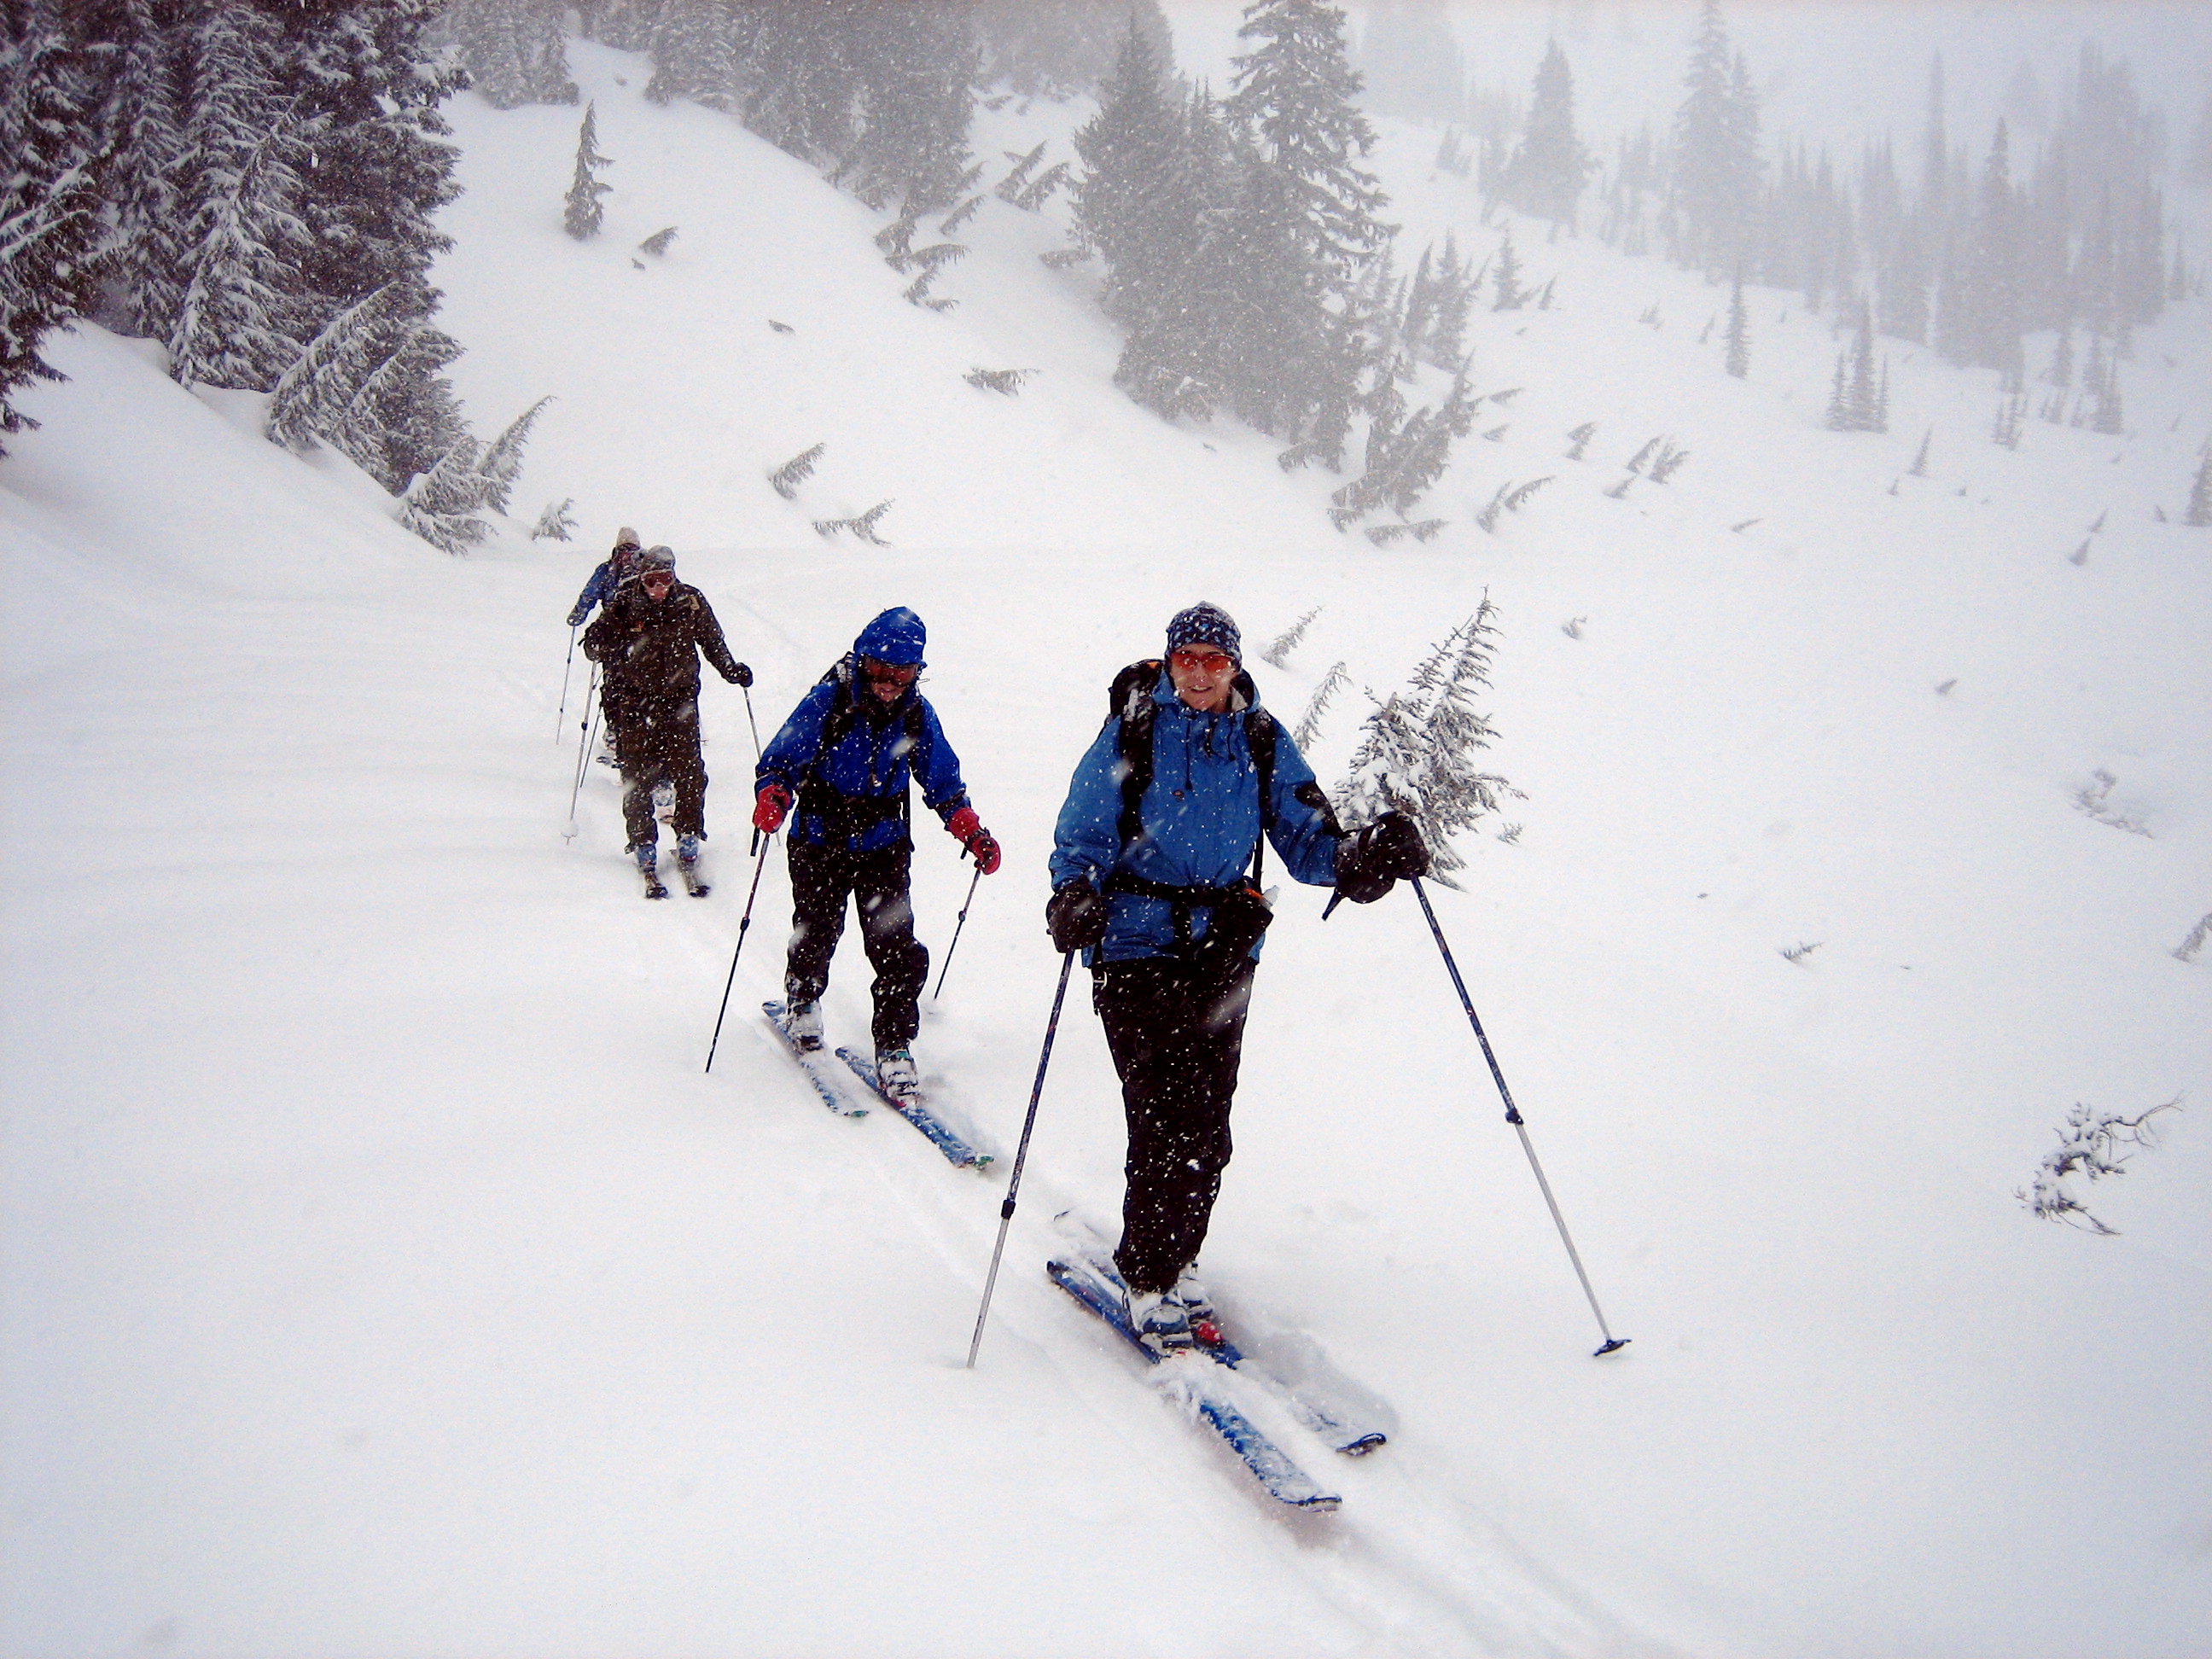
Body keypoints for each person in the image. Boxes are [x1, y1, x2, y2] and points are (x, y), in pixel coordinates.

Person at [1046, 602, 1429, 1354]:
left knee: (1207, 1127)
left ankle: (1181, 1255)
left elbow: (1309, 840)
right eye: (1185, 658)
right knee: (1159, 1120)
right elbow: (1083, 830)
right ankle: (1148, 1275)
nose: (1198, 672)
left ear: (1234, 668)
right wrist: (1075, 892)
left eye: (1213, 661)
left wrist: (1366, 858)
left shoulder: (1259, 738)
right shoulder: (1133, 731)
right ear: (1168, 662)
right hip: (1132, 946)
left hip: (1222, 953)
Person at [753, 607, 999, 1099]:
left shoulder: (916, 714)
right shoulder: (830, 700)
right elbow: (781, 758)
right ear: (863, 662)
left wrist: (968, 827)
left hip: (882, 846)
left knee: (896, 949)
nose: (889, 684)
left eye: (902, 674)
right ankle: (802, 999)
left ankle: (894, 1046)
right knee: (817, 928)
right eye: (880, 672)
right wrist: (775, 792)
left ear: (916, 673)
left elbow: (941, 778)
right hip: (819, 839)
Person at [581, 545, 752, 894]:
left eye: (665, 579)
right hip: (636, 703)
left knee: (690, 772)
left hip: (680, 702)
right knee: (636, 777)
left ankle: (688, 837)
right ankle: (643, 844)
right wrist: (601, 640)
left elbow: (712, 641)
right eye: (652, 581)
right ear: (642, 579)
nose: (659, 588)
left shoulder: (689, 600)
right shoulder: (625, 602)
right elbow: (592, 646)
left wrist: (731, 670)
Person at [568, 527, 645, 756]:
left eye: (631, 549)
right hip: (613, 635)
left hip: (639, 637)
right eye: (624, 549)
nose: (627, 554)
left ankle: (633, 734)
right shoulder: (607, 571)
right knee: (614, 685)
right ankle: (615, 729)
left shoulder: (643, 570)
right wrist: (579, 614)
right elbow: (590, 594)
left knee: (636, 686)